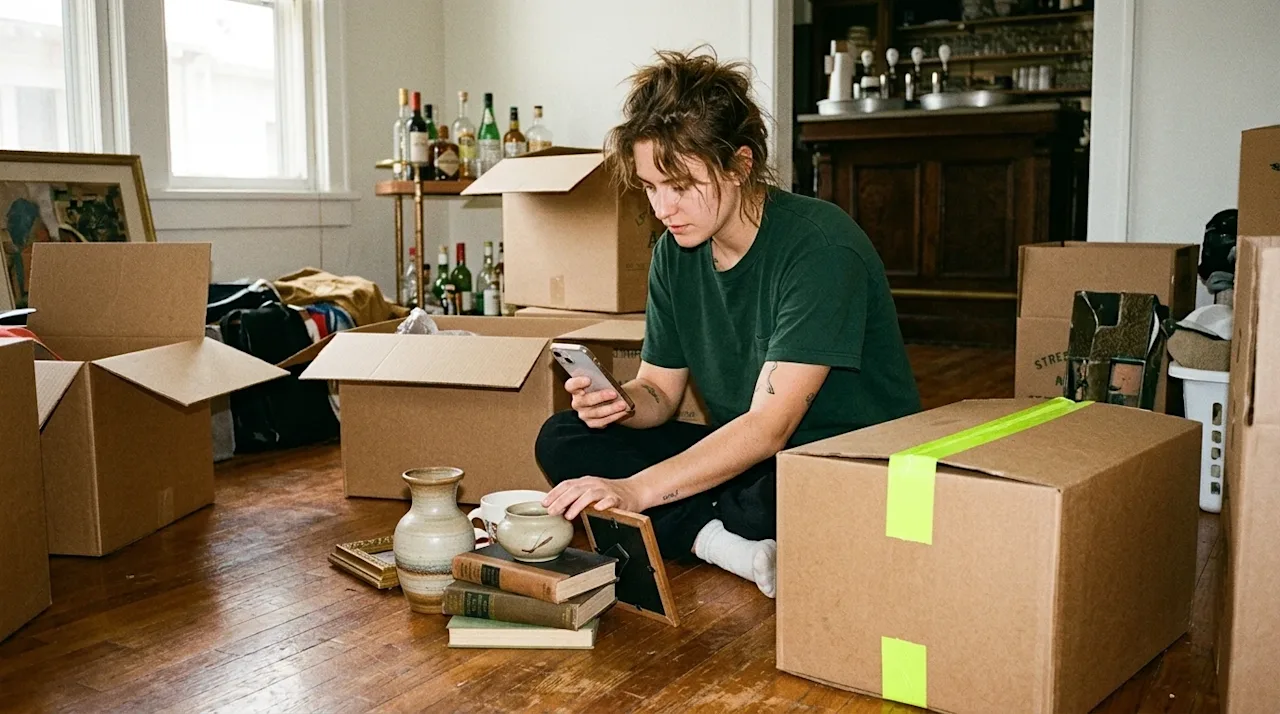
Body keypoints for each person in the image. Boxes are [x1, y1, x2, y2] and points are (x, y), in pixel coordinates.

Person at [534, 48, 920, 598]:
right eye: (650, 186)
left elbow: (769, 428)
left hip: (839, 465)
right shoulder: (675, 252)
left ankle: (700, 528)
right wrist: (620, 402)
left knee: (767, 494)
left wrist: (635, 491)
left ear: (739, 165)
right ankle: (720, 542)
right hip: (748, 453)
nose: (664, 207)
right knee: (564, 437)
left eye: (682, 185)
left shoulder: (821, 248)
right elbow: (660, 393)